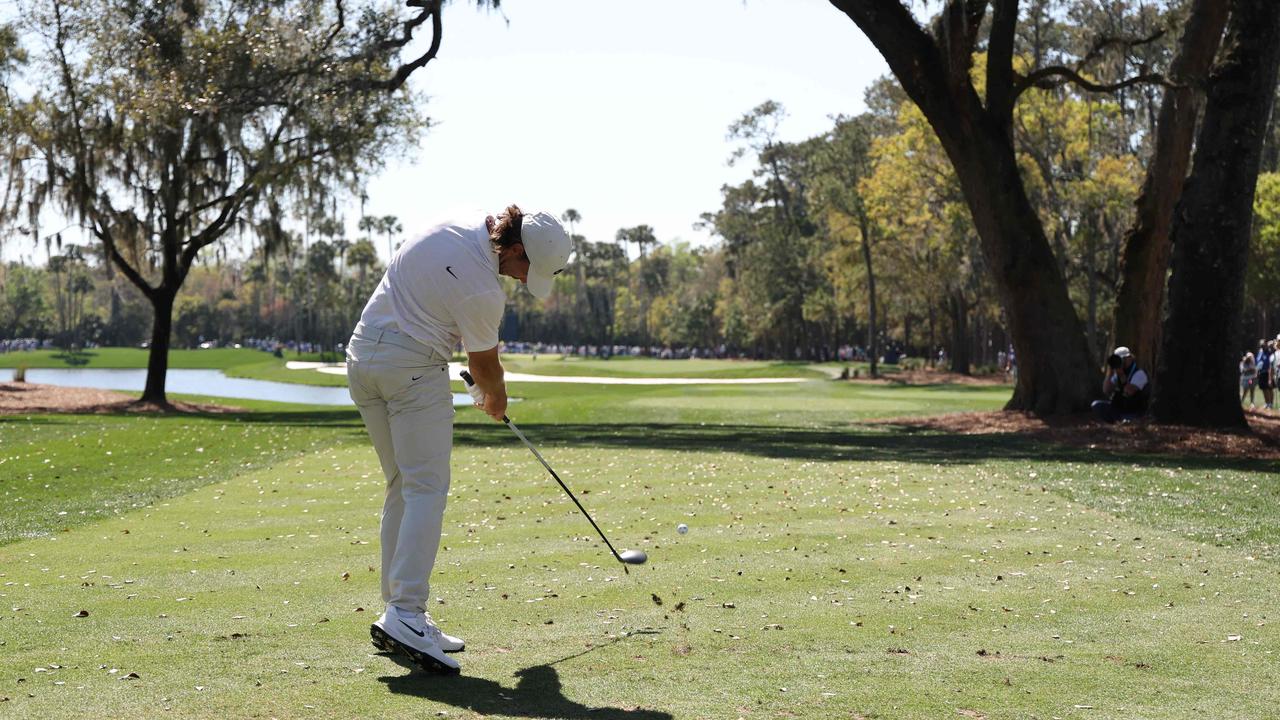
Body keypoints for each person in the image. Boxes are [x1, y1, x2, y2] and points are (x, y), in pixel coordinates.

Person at [344, 205, 571, 674]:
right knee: (426, 488)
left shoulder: (454, 226)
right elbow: (486, 367)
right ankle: (405, 612)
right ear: (514, 249)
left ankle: (402, 614)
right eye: (526, 269)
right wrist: (498, 401)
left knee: (402, 485)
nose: (522, 280)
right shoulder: (484, 290)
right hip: (409, 370)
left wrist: (484, 388)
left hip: (362, 359)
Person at [1091, 346, 1149, 423]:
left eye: (1122, 359)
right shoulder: (1118, 373)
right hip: (1118, 408)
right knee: (1096, 405)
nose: (1121, 362)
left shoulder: (1139, 374)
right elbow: (1106, 390)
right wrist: (1110, 372)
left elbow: (1128, 392)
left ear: (1130, 358)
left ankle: (1124, 421)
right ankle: (1117, 421)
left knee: (1127, 420)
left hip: (1133, 411)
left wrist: (1122, 376)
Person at [1258, 339, 1275, 411]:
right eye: (1261, 345)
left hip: (1268, 372)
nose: (1262, 346)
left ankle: (1270, 404)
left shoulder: (1269, 351)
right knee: (1264, 388)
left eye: (1263, 345)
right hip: (1261, 372)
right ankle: (1266, 403)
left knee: (1269, 388)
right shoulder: (1260, 352)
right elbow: (1258, 361)